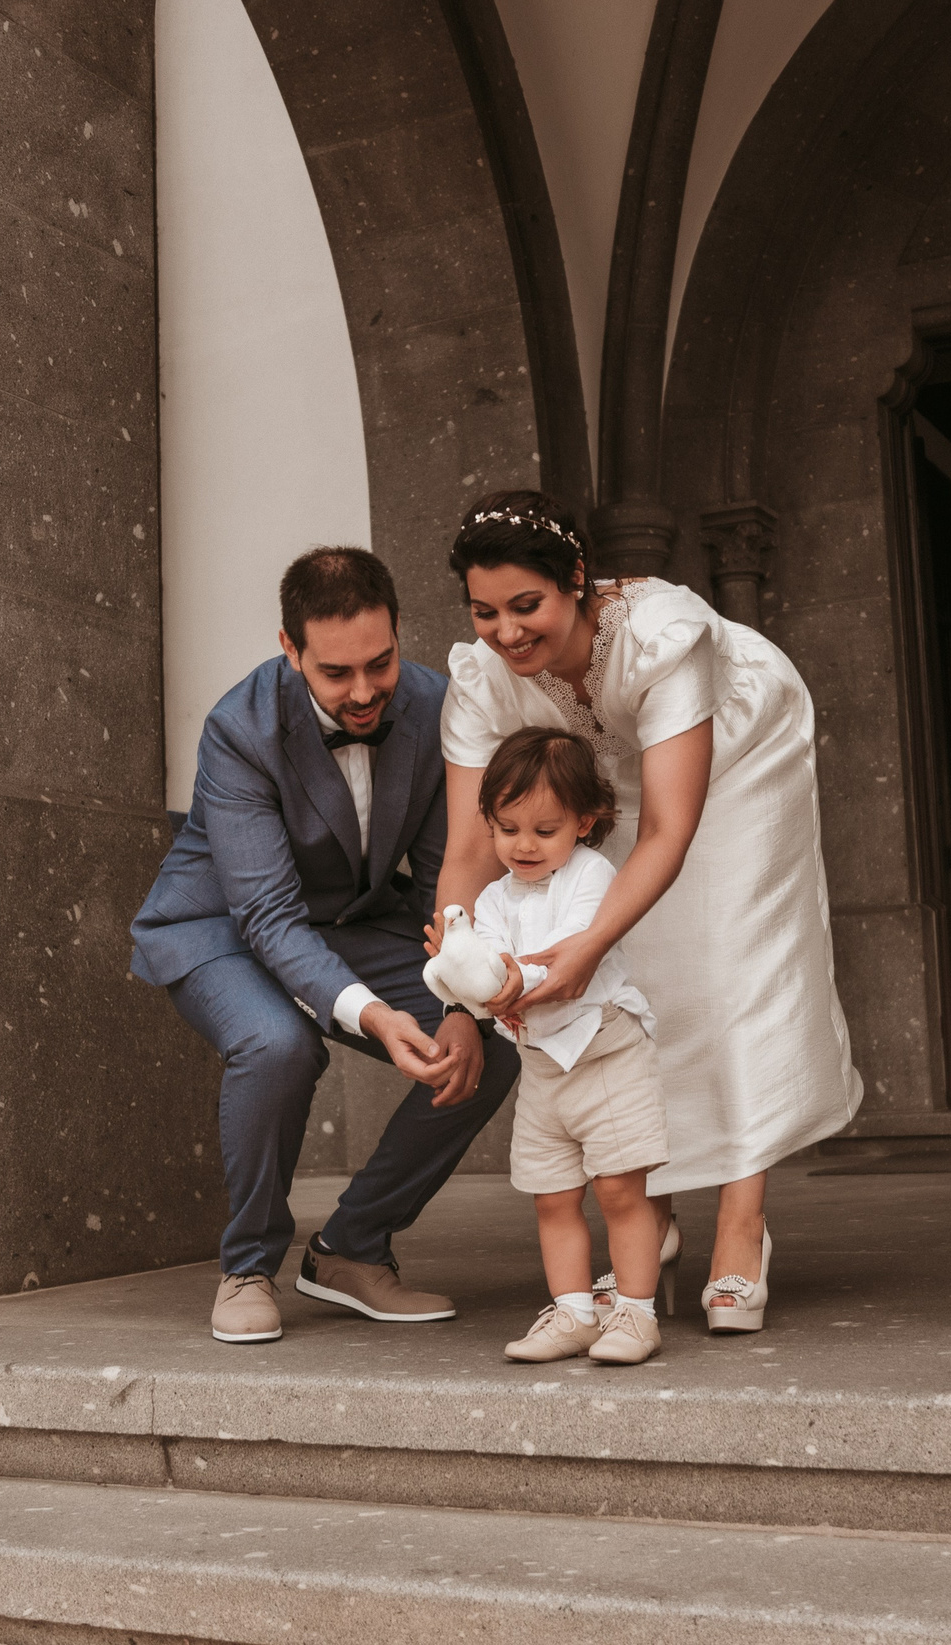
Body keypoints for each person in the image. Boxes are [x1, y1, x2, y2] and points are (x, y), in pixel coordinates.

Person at [433, 492, 862, 1333]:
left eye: (528, 606)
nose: (507, 632)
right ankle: (650, 1208)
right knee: (646, 976)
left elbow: (669, 827)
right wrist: (459, 977)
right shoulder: (480, 680)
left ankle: (742, 1219)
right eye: (486, 612)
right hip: (593, 779)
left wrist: (586, 944)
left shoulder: (663, 634)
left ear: (577, 582)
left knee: (733, 961)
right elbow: (468, 851)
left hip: (739, 748)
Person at [132, 547, 520, 1343]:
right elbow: (267, 915)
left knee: (492, 1048)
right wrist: (375, 1016)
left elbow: (451, 869)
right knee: (279, 1046)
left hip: (353, 922)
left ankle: (349, 1249)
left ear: (399, 631)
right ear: (290, 648)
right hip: (223, 927)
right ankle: (246, 1265)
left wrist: (459, 996)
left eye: (380, 663)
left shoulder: (439, 704)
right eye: (336, 673)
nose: (365, 691)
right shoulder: (239, 728)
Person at [424, 728, 669, 1365]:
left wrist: (501, 979)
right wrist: (458, 968)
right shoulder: (491, 897)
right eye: (507, 829)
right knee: (553, 1195)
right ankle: (573, 1311)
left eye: (544, 829)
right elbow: (483, 962)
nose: (523, 846)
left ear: (585, 822)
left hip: (605, 1052)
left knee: (621, 1191)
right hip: (541, 1068)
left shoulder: (593, 875)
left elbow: (560, 956)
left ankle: (636, 1315)